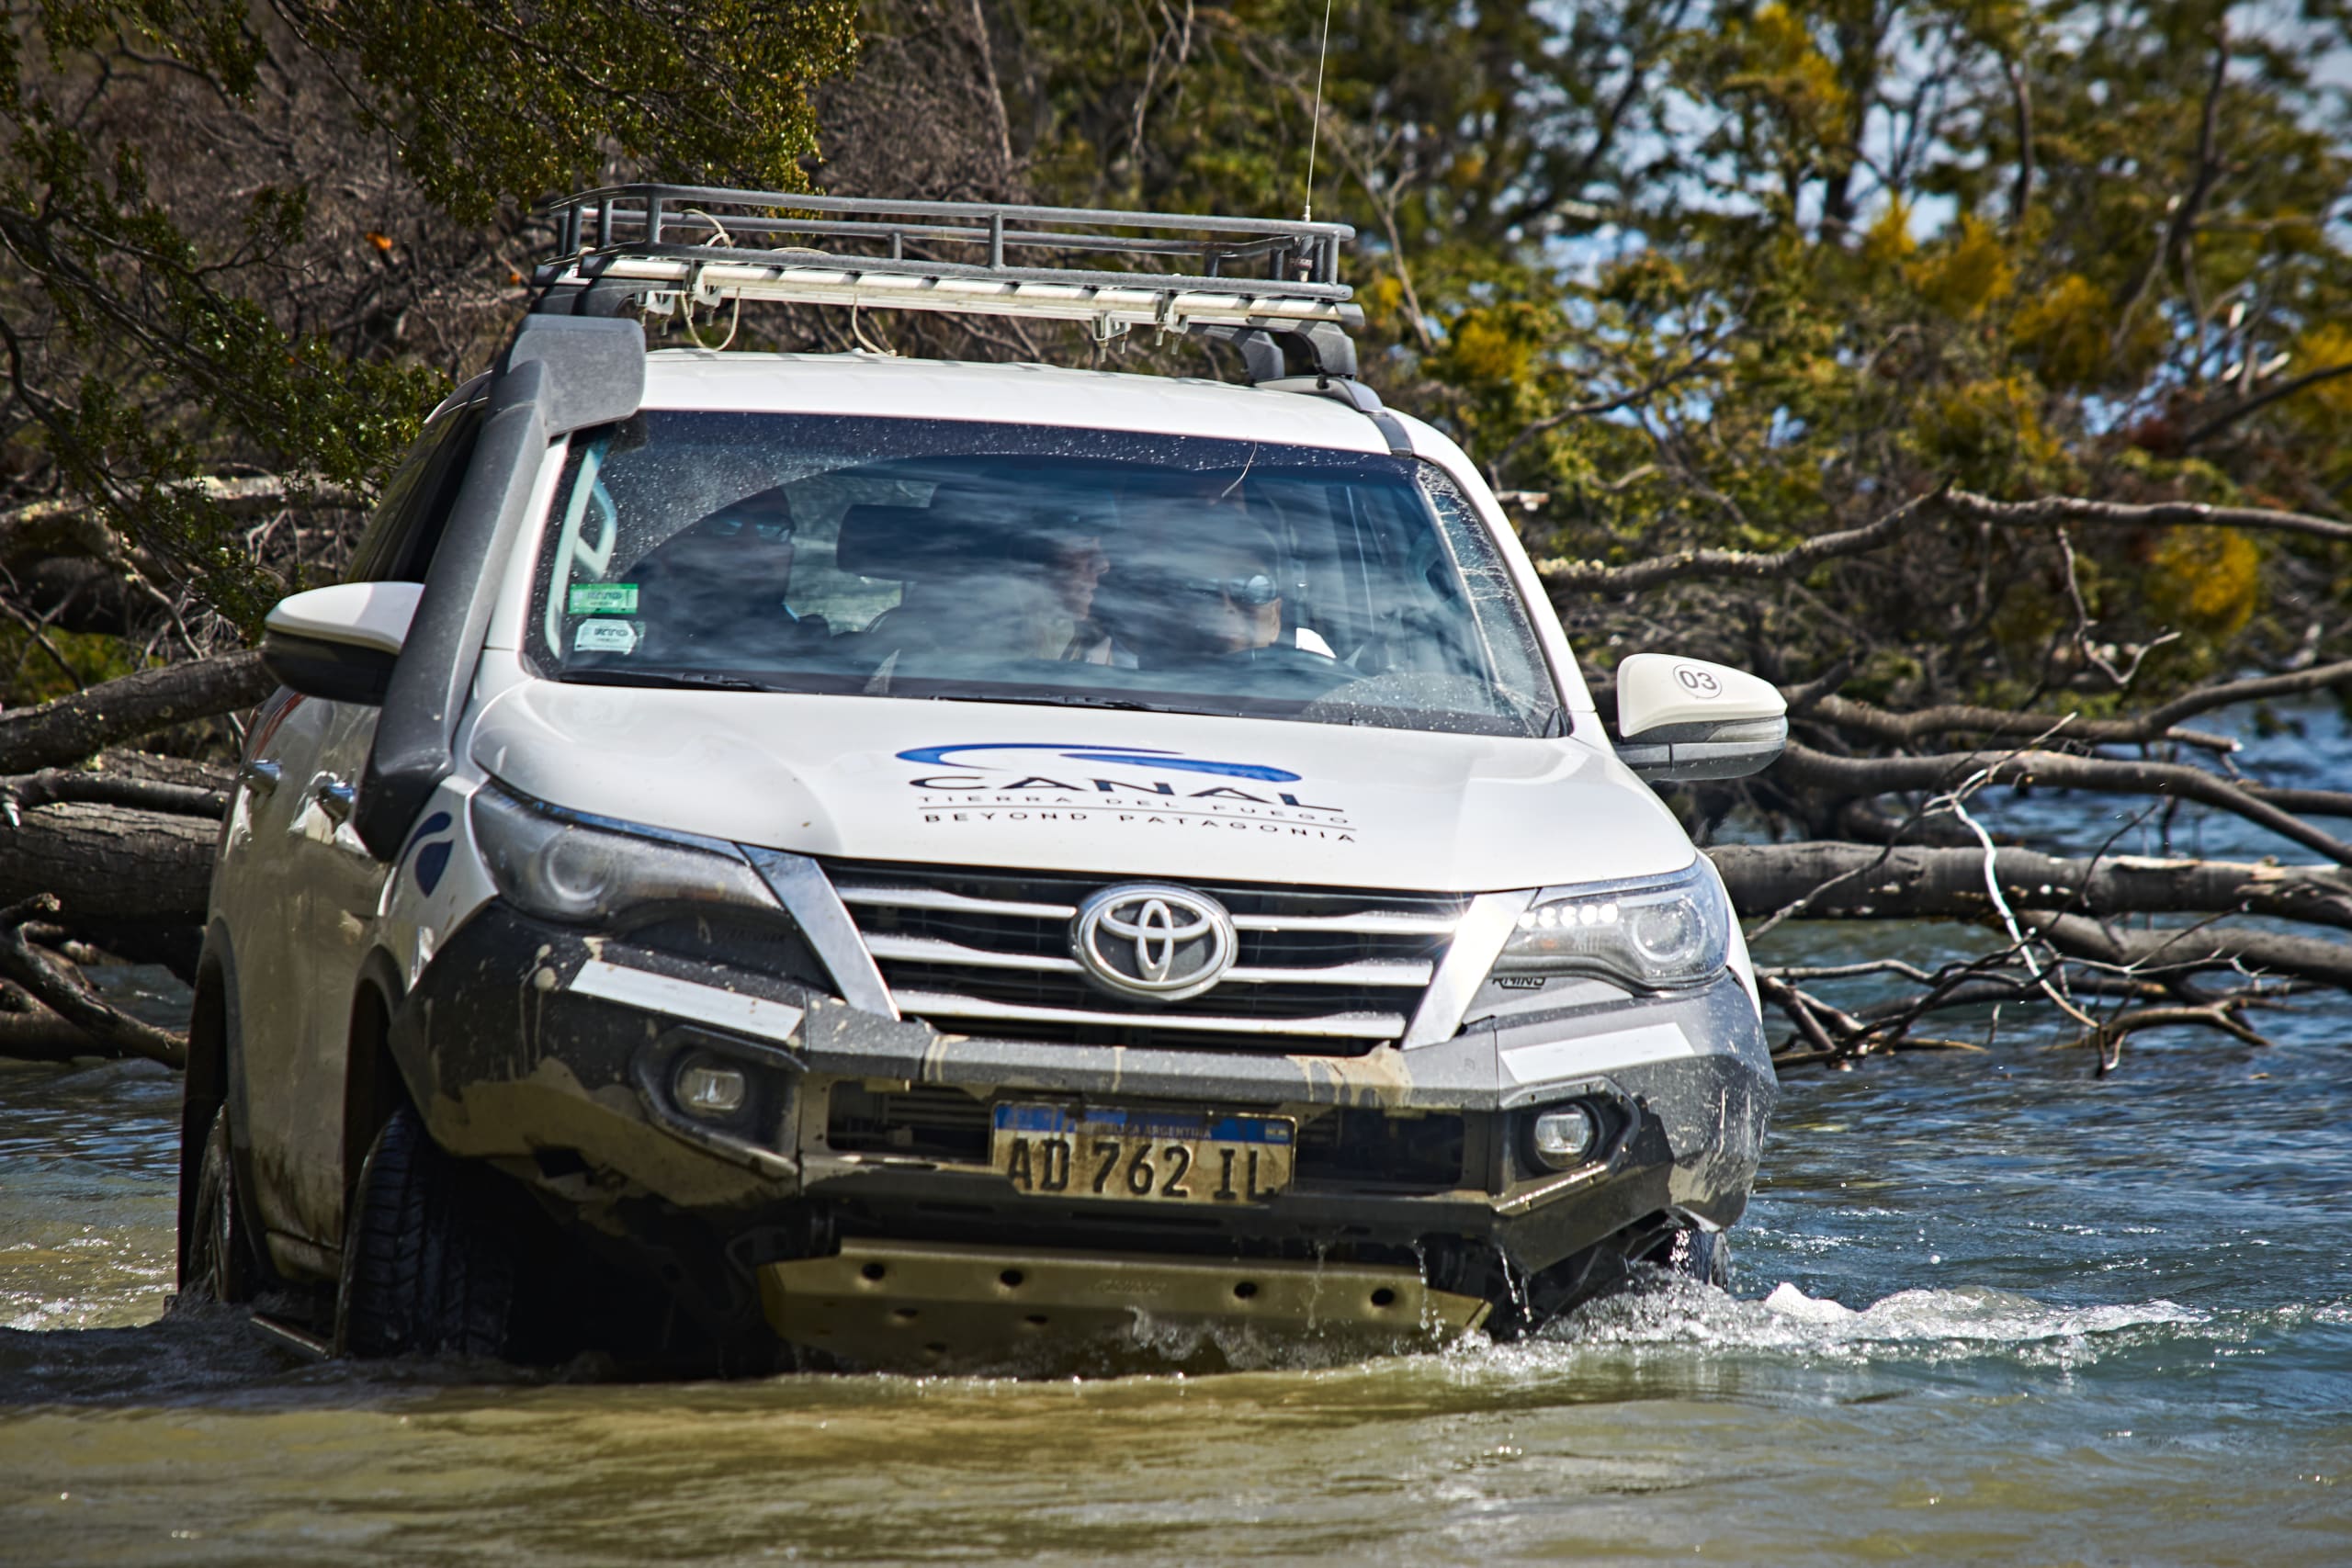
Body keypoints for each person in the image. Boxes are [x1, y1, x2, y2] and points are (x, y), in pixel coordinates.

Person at [622, 484, 828, 660]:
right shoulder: (609, 637)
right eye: (725, 523)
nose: (751, 544)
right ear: (669, 546)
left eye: (772, 527)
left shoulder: (822, 662)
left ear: (790, 552)